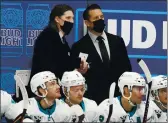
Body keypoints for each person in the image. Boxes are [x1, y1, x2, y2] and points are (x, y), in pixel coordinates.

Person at [71, 4, 132, 104]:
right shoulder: (78, 47)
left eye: (101, 17)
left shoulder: (117, 41)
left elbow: (127, 69)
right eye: (96, 18)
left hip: (118, 100)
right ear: (87, 23)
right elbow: (77, 76)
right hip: (93, 102)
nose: (100, 20)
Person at [28, 4, 88, 98]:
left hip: (54, 85)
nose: (71, 21)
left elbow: (64, 60)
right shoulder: (48, 36)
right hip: (43, 88)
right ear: (57, 19)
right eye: (68, 18)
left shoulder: (61, 38)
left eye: (72, 18)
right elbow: (59, 60)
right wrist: (79, 62)